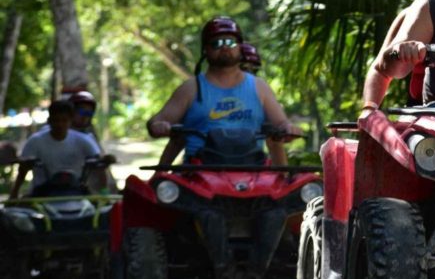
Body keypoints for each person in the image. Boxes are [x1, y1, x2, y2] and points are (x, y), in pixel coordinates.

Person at [148, 17, 300, 166]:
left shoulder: (260, 87)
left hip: (252, 172)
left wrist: (288, 129)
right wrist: (158, 126)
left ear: (240, 46)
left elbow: (281, 124)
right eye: (217, 43)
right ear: (205, 50)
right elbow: (157, 122)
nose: (225, 47)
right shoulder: (190, 88)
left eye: (231, 42)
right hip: (199, 173)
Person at [10, 100, 111, 198]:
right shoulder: (35, 141)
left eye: (64, 120)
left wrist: (104, 193)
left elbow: (100, 165)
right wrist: (14, 193)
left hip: (76, 192)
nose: (60, 124)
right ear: (49, 121)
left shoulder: (84, 140)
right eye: (56, 120)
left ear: (70, 121)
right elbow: (23, 169)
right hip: (42, 194)